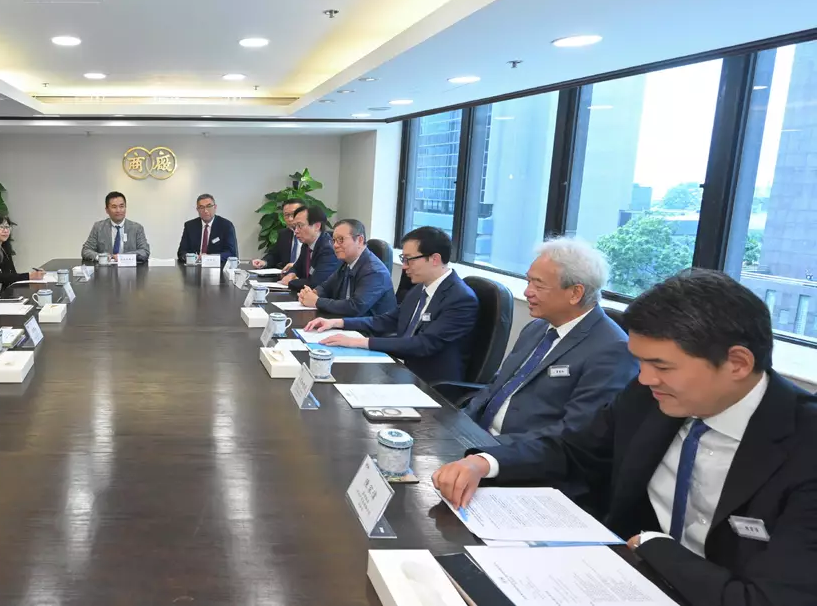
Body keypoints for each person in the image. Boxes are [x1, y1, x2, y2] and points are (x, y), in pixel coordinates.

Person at [432, 269, 817, 606]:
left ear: (738, 363)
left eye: (661, 365)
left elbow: (770, 599)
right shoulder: (650, 396)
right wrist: (485, 462)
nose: (645, 378)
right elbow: (574, 448)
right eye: (642, 362)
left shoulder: (805, 446)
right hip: (618, 578)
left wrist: (654, 546)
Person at [463, 238, 637, 445]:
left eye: (538, 285)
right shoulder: (537, 328)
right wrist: (457, 423)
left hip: (519, 453)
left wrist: (490, 453)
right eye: (528, 281)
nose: (527, 292)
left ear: (575, 293)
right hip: (476, 438)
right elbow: (496, 386)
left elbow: (574, 432)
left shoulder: (612, 350)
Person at [304, 226, 477, 381]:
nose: (404, 266)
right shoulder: (420, 288)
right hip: (401, 368)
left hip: (429, 383)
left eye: (409, 259)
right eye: (403, 258)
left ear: (435, 259)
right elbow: (388, 320)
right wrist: (338, 323)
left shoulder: (460, 299)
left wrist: (357, 342)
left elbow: (423, 344)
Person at [295, 218, 397, 317]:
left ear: (360, 240)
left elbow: (355, 307)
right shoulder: (346, 262)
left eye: (341, 240)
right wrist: (311, 293)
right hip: (347, 321)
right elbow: (326, 287)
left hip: (369, 326)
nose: (335, 245)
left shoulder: (375, 271)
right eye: (334, 240)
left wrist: (317, 301)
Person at [278, 205, 337, 292]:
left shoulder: (328, 250)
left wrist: (290, 282)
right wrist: (291, 274)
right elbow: (296, 267)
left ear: (317, 226)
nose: (296, 231)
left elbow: (315, 283)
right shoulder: (306, 245)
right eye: (295, 226)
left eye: (300, 226)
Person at [81, 191, 150, 263]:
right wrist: (101, 257)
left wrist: (122, 257)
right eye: (114, 207)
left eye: (121, 206)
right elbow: (86, 250)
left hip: (129, 269)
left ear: (125, 208)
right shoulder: (98, 227)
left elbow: (144, 251)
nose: (118, 210)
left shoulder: (137, 228)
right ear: (107, 210)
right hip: (105, 268)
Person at [176, 194, 238, 264]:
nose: (205, 211)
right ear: (197, 210)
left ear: (215, 207)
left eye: (209, 206)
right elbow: (181, 252)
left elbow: (231, 253)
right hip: (195, 266)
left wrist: (209, 258)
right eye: (201, 207)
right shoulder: (190, 226)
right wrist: (190, 257)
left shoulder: (226, 225)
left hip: (217, 267)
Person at [252, 198, 306, 270]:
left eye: (294, 214)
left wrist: (296, 267)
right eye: (287, 215)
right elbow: (274, 255)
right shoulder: (284, 234)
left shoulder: (312, 235)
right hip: (285, 274)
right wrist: (264, 262)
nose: (290, 219)